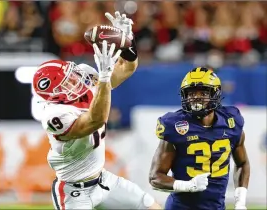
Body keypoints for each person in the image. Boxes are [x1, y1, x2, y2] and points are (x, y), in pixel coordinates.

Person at [33, 11, 161, 210]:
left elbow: (127, 67)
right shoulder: (54, 116)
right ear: (56, 96)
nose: (76, 80)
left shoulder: (85, 79)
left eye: (72, 75)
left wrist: (127, 42)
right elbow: (96, 119)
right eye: (68, 83)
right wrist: (103, 80)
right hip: (74, 192)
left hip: (103, 180)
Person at [149, 67, 250, 210]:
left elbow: (243, 163)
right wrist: (188, 186)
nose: (196, 97)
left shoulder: (231, 121)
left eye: (203, 92)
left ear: (215, 94)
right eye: (191, 93)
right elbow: (155, 177)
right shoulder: (176, 125)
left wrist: (241, 201)